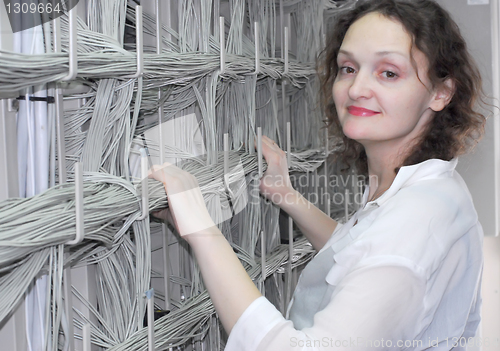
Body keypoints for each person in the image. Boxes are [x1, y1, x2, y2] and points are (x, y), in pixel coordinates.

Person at [149, 0, 487, 349]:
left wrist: (202, 232)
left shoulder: (412, 230)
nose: (356, 89)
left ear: (441, 92)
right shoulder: (427, 189)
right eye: (349, 68)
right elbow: (359, 256)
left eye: (389, 72)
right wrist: (286, 196)